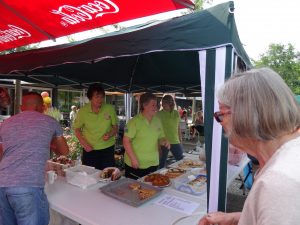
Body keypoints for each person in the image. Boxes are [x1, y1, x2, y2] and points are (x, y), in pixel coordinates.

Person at [198, 68, 300, 225]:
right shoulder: (288, 156)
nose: (220, 123)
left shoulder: (278, 182)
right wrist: (234, 218)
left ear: (243, 116)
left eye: (220, 115)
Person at [0, 92, 69, 225]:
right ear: (42, 107)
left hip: (2, 184)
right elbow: (64, 152)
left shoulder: (5, 124)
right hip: (27, 186)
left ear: (21, 107)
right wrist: (49, 143)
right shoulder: (50, 121)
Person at [123, 92, 170, 179]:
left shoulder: (158, 121)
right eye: (153, 105)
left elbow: (161, 137)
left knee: (150, 190)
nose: (156, 107)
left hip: (153, 163)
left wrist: (164, 141)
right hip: (136, 164)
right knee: (133, 190)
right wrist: (133, 159)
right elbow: (126, 141)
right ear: (144, 105)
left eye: (156, 105)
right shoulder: (133, 122)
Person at [73, 84, 118, 170]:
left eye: (102, 97)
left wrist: (110, 134)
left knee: (108, 175)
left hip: (107, 149)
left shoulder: (110, 108)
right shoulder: (83, 111)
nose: (100, 100)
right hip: (90, 149)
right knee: (90, 177)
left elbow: (115, 127)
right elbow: (77, 130)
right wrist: (85, 144)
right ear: (90, 98)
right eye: (97, 97)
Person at [157, 95, 183, 168]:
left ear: (170, 103)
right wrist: (158, 145)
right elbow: (156, 130)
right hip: (163, 142)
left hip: (175, 141)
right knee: (161, 163)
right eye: (162, 102)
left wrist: (181, 140)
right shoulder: (159, 114)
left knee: (181, 161)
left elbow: (178, 127)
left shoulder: (176, 113)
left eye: (165, 103)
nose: (162, 104)